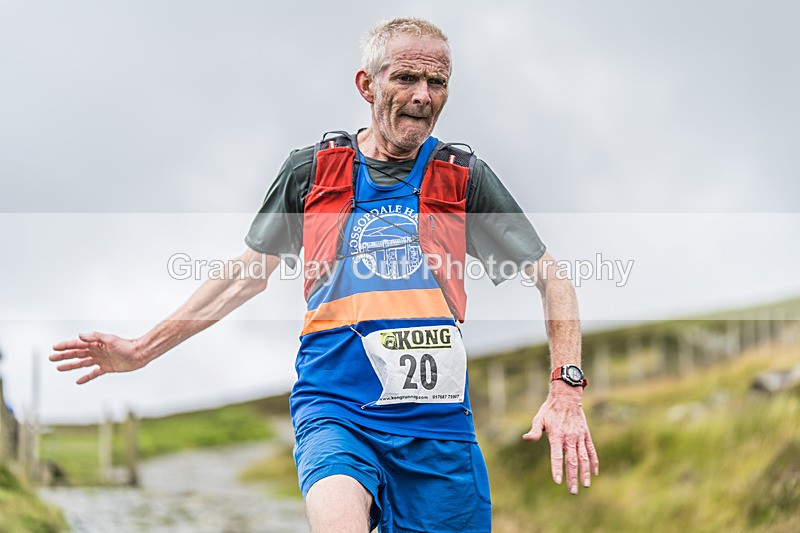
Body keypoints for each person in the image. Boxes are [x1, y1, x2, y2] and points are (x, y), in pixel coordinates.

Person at [50, 17, 598, 533]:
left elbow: (554, 279)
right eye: (405, 77)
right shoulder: (312, 172)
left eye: (437, 82)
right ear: (366, 84)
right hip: (336, 411)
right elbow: (246, 275)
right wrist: (142, 349)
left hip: (437, 429)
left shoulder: (463, 179)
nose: (422, 96)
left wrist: (565, 388)